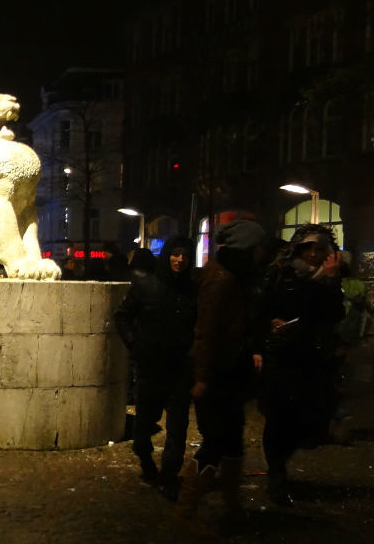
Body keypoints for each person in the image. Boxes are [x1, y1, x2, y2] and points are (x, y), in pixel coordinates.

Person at [181, 216, 269, 526]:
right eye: (258, 247)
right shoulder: (222, 280)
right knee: (217, 439)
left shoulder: (238, 276)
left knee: (231, 440)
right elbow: (207, 332)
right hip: (218, 373)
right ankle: (188, 506)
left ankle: (230, 505)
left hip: (231, 370)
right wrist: (203, 377)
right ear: (247, 248)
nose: (262, 253)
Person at [256, 225, 345, 506]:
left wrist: (330, 283)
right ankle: (277, 472)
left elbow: (332, 315)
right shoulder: (282, 272)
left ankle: (281, 461)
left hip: (312, 359)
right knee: (278, 415)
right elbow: (260, 307)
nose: (315, 254)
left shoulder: (329, 279)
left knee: (307, 417)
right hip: (281, 355)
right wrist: (267, 328)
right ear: (299, 249)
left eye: (321, 249)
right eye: (310, 248)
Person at [114, 237, 197, 499]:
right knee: (144, 424)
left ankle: (169, 475)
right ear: (168, 256)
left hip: (180, 368)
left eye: (185, 255)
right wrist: (134, 344)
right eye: (176, 254)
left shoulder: (193, 289)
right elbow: (123, 316)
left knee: (178, 426)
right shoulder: (147, 285)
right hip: (150, 366)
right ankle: (146, 460)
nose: (180, 260)